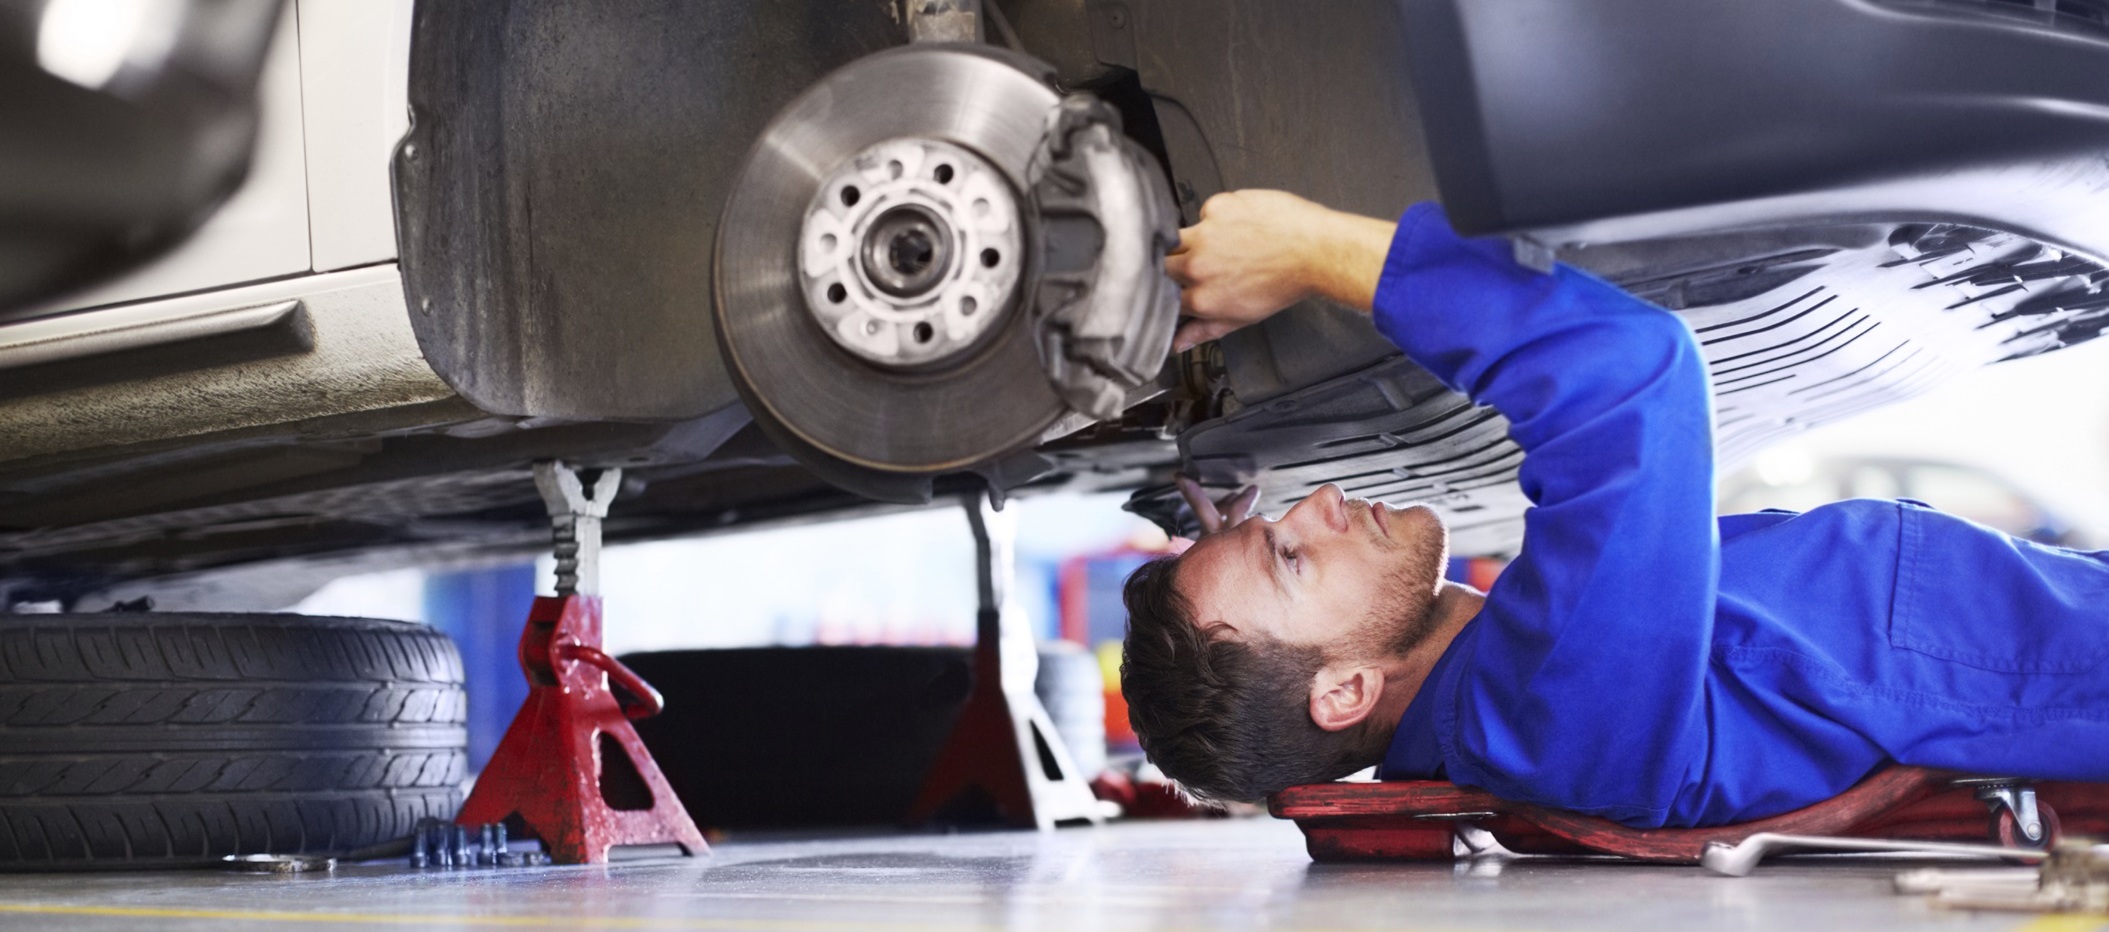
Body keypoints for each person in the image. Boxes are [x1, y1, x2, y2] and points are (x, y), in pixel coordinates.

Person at [1120, 190, 2109, 828]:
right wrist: (1309, 246)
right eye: (1293, 556)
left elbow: (1282, 639)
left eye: (1280, 522)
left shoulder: (1517, 688)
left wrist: (1242, 535)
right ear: (1341, 694)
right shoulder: (1546, 712)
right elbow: (1629, 376)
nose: (1322, 501)